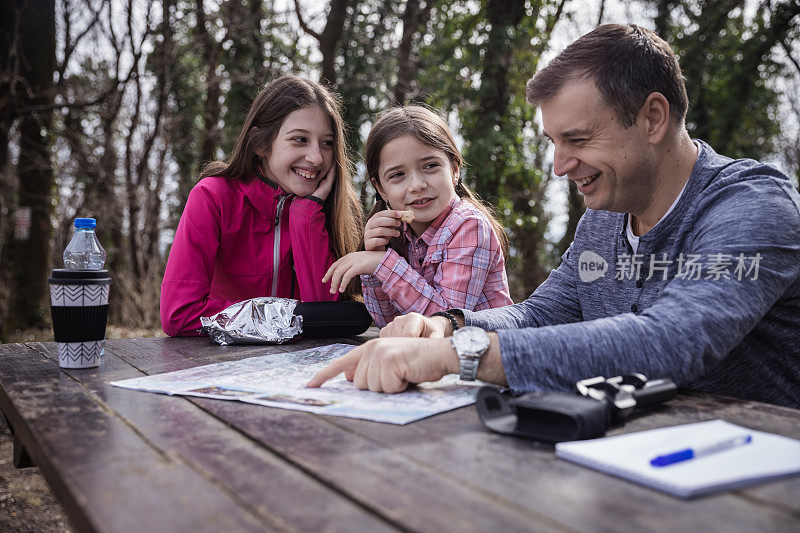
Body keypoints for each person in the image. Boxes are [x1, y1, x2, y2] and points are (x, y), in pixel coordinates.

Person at [308, 25, 800, 409]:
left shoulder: (753, 207)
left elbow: (672, 339)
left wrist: (460, 356)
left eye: (578, 140)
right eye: (554, 143)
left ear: (653, 118)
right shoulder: (606, 218)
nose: (560, 166)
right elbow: (539, 315)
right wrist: (450, 326)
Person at [161, 75, 363, 336]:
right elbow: (179, 313)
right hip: (222, 363)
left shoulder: (333, 209)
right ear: (261, 144)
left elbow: (328, 319)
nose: (316, 157)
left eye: (327, 143)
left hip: (307, 367)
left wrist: (305, 218)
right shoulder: (213, 197)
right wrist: (283, 319)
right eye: (299, 139)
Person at [322, 106, 513, 327]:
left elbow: (447, 322)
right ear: (381, 188)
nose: (417, 185)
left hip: (482, 355)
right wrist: (375, 260)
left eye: (430, 166)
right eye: (398, 175)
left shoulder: (469, 225)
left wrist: (384, 265)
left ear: (454, 169)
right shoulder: (398, 232)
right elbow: (388, 323)